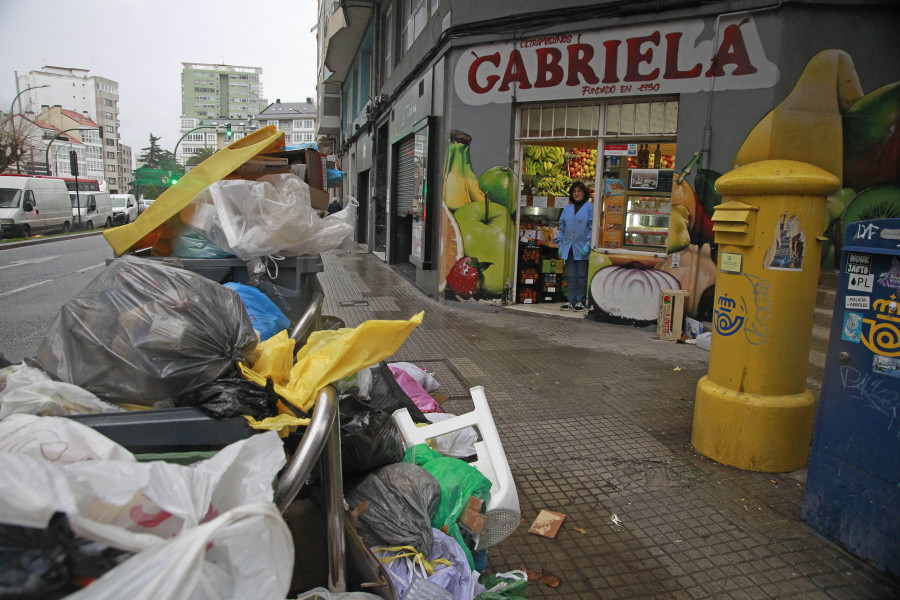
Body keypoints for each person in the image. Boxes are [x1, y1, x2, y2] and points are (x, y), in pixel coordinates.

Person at [556, 181, 593, 311]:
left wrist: (588, 244)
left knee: (582, 275)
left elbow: (592, 227)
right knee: (571, 275)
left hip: (582, 247)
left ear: (584, 193)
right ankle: (571, 300)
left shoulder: (589, 207)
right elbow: (562, 227)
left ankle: (580, 300)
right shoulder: (567, 209)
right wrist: (560, 243)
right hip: (569, 247)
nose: (577, 194)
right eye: (574, 191)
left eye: (579, 191)